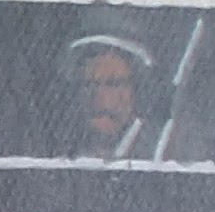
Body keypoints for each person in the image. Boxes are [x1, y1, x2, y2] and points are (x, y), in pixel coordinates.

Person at [64, 32, 155, 161]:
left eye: (114, 84)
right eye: (89, 84)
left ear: (136, 91)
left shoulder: (159, 153)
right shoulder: (64, 149)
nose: (100, 97)